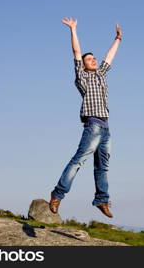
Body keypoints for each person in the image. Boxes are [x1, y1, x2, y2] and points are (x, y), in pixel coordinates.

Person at [49, 17, 122, 218]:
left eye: (94, 59)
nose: (94, 60)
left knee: (103, 167)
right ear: (83, 65)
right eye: (90, 59)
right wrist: (73, 30)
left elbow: (109, 56)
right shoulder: (82, 76)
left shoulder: (101, 74)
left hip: (106, 128)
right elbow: (76, 52)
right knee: (79, 160)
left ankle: (102, 200)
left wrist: (117, 39)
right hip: (93, 126)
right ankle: (58, 193)